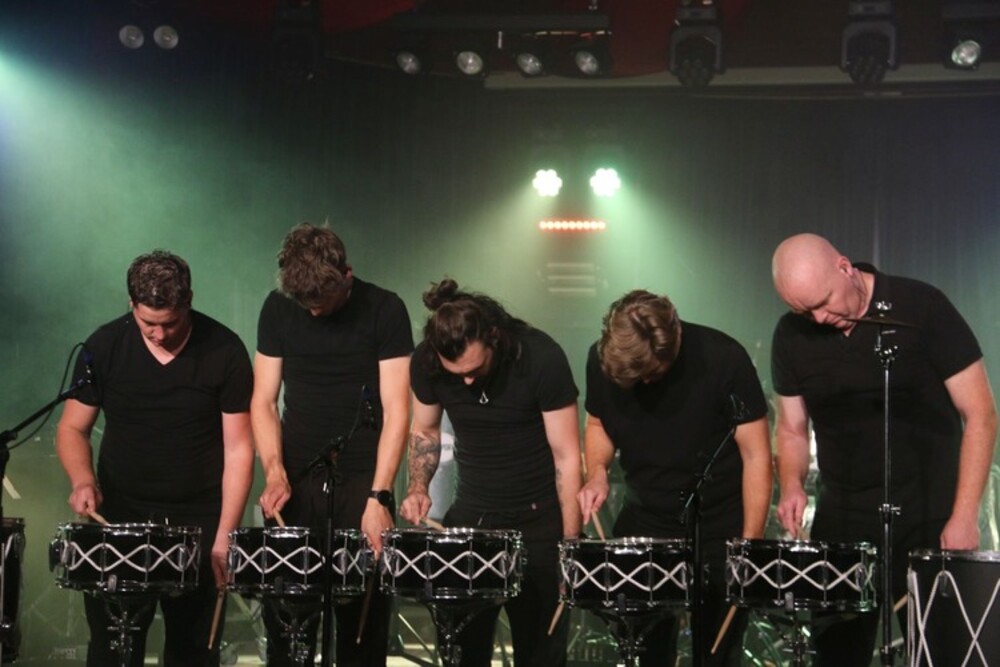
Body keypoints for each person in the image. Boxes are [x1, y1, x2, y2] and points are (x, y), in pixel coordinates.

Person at [770, 233, 998, 666]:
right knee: (836, 656)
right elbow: (792, 428)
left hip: (930, 513)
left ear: (845, 267)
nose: (818, 318)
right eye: (803, 311)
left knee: (940, 653)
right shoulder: (791, 335)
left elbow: (981, 415)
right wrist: (792, 484)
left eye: (823, 302)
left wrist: (965, 515)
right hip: (842, 519)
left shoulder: (922, 307)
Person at [55, 250, 254, 666]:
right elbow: (72, 428)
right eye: (148, 324)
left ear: (189, 302)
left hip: (198, 521)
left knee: (193, 652)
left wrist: (225, 535)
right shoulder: (104, 345)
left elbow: (238, 449)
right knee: (112, 649)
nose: (160, 335)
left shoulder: (225, 350)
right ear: (131, 304)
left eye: (170, 323)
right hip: (120, 517)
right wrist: (82, 479)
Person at [577, 289, 772, 666]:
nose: (646, 384)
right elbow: (598, 422)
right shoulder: (601, 359)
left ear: (675, 339)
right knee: (644, 651)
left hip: (719, 523)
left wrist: (749, 547)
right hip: (645, 518)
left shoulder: (723, 358)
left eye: (652, 373)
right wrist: (597, 472)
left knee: (717, 654)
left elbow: (756, 455)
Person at [251, 222, 412, 666]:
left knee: (362, 627)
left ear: (346, 275)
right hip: (296, 478)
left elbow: (397, 410)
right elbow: (263, 401)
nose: (314, 312)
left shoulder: (385, 309)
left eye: (322, 301)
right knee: (288, 627)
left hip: (363, 478)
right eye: (306, 304)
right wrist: (274, 470)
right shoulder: (278, 307)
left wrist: (379, 496)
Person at [400, 278, 581, 667]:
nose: (466, 381)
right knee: (463, 651)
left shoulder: (540, 356)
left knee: (541, 654)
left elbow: (566, 455)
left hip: (538, 522)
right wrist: (418, 486)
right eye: (456, 374)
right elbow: (426, 431)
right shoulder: (426, 361)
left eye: (474, 369)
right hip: (472, 521)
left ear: (494, 337)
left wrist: (569, 543)